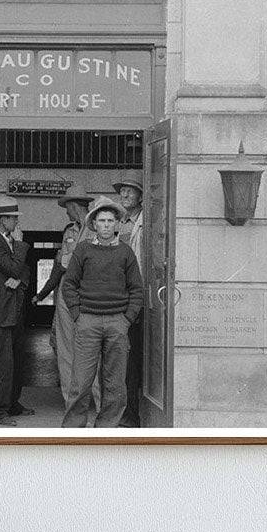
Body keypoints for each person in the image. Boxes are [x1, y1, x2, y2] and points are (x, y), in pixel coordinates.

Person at [60, 195, 144, 428]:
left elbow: (136, 289)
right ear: (94, 224)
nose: (106, 225)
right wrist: (78, 314)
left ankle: (106, 429)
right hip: (88, 322)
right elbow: (69, 285)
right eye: (102, 220)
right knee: (81, 381)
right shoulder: (83, 250)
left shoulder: (125, 253)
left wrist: (126, 319)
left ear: (117, 224)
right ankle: (73, 431)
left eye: (110, 221)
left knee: (115, 383)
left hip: (117, 323)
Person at [31, 188, 94, 407]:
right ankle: (72, 402)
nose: (66, 212)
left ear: (74, 205)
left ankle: (97, 401)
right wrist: (43, 293)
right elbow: (59, 266)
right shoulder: (69, 230)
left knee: (92, 349)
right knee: (65, 351)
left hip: (88, 296)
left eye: (66, 207)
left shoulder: (96, 228)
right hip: (66, 297)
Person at [0, 195, 33, 426]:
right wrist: (20, 246)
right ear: (2, 220)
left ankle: (12, 403)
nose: (17, 223)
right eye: (13, 218)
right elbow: (13, 267)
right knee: (3, 365)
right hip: (1, 313)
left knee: (17, 361)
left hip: (14, 310)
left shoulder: (7, 240)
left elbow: (25, 270)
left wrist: (19, 280)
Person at [114, 172, 145, 426]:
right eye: (122, 190)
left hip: (139, 298)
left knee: (133, 360)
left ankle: (132, 415)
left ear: (141, 196)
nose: (124, 194)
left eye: (130, 190)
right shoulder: (119, 223)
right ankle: (126, 413)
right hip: (121, 297)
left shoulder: (148, 221)